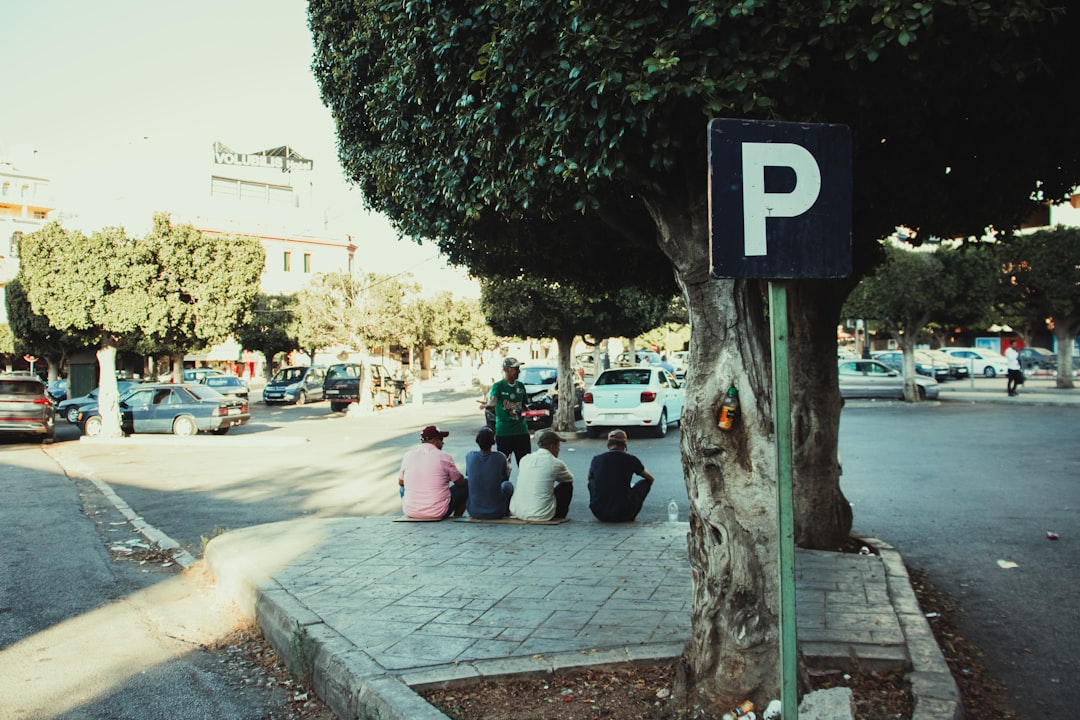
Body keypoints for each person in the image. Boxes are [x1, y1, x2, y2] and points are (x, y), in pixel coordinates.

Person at [399, 425, 467, 519]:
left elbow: (401, 482)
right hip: (437, 512)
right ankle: (457, 517)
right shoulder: (444, 456)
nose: (443, 443)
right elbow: (460, 482)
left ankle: (413, 507)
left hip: (411, 512)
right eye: (441, 439)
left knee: (403, 488)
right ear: (434, 440)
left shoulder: (408, 455)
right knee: (466, 485)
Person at [588, 429, 656, 522]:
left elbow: (589, 478)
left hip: (599, 513)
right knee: (645, 483)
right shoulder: (631, 459)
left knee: (592, 482)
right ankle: (632, 513)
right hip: (624, 513)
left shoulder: (596, 459)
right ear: (624, 445)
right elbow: (650, 478)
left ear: (608, 445)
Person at [509, 430, 573, 521]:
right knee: (567, 485)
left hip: (517, 511)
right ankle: (560, 515)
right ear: (552, 447)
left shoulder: (525, 459)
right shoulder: (555, 463)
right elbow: (569, 479)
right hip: (540, 514)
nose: (559, 449)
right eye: (558, 446)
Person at [483, 357, 532, 465]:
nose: (519, 371)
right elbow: (493, 400)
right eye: (516, 368)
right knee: (503, 466)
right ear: (507, 370)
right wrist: (489, 405)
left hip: (521, 432)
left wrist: (532, 413)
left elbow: (524, 406)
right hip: (504, 433)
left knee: (525, 465)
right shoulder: (498, 386)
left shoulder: (521, 386)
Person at [465, 427, 514, 519]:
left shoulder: (470, 456)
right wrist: (508, 469)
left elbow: (470, 475)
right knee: (507, 485)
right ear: (493, 442)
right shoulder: (500, 457)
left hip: (474, 511)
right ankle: (506, 512)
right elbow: (504, 479)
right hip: (497, 511)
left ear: (477, 441)